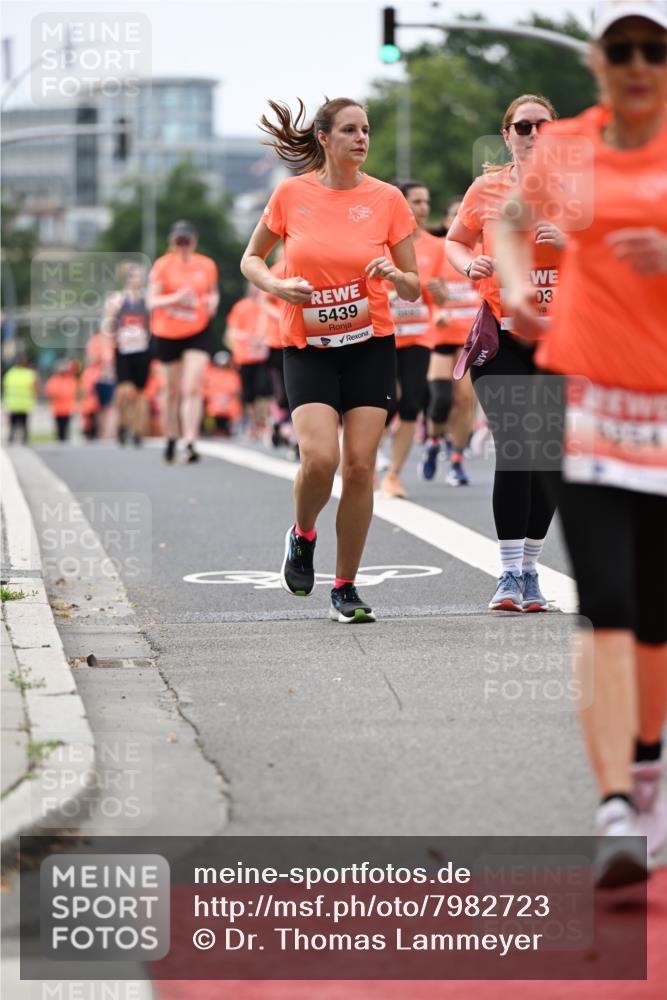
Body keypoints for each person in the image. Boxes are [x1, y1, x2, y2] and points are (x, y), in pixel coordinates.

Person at [496, 0, 667, 885]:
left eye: (654, 49)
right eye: (620, 50)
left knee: (653, 613)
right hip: (588, 399)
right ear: (599, 67)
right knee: (602, 597)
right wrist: (520, 289)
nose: (637, 62)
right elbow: (508, 223)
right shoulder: (568, 147)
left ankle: (647, 764)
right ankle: (612, 809)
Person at [240, 97, 419, 623]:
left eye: (366, 129)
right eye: (349, 130)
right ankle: (302, 534)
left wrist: (392, 275)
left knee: (361, 465)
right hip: (308, 347)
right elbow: (251, 259)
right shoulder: (292, 195)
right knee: (321, 460)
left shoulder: (387, 199)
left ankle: (345, 586)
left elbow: (413, 287)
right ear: (324, 138)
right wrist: (276, 284)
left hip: (370, 344)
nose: (361, 138)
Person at [446, 93, 564, 613]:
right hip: (503, 337)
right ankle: (509, 573)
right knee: (517, 443)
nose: (532, 134)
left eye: (542, 125)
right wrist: (466, 264)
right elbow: (455, 241)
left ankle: (532, 570)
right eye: (522, 126)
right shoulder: (486, 188)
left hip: (565, 342)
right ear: (507, 134)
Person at [379, 180, 447, 500]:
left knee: (411, 404)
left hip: (420, 334)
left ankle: (393, 475)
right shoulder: (381, 243)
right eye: (416, 201)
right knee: (384, 402)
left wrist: (441, 297)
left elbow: (440, 296)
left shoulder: (436, 246)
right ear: (400, 205)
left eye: (426, 201)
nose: (424, 207)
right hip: (384, 333)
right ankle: (363, 462)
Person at [147, 220, 220, 463]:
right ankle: (171, 436)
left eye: (187, 241)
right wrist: (175, 298)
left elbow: (212, 292)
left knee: (192, 387)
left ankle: (190, 440)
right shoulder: (163, 265)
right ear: (172, 243)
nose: (183, 246)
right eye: (178, 242)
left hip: (197, 330)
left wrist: (212, 302)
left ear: (194, 242)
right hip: (167, 333)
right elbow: (151, 302)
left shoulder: (206, 265)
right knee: (171, 391)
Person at [422, 197, 480, 486]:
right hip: (442, 335)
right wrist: (438, 310)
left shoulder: (485, 250)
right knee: (441, 399)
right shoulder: (439, 251)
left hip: (470, 336)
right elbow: (424, 291)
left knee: (465, 398)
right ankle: (433, 442)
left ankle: (457, 459)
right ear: (448, 222)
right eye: (456, 215)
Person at [103, 262, 151, 446]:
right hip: (122, 350)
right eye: (133, 276)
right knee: (123, 392)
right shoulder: (116, 299)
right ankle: (123, 424)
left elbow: (154, 322)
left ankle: (138, 430)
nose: (137, 280)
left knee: (140, 393)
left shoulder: (147, 299)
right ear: (126, 279)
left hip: (143, 350)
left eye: (140, 276)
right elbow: (107, 326)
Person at [224, 285, 273, 438]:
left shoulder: (267, 306)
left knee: (264, 390)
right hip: (245, 356)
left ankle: (263, 422)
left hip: (263, 355)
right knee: (249, 393)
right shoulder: (241, 307)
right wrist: (247, 338)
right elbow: (232, 332)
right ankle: (254, 424)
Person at [85, 328, 116, 438]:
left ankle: (106, 432)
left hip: (107, 377)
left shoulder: (112, 340)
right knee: (103, 407)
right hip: (99, 377)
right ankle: (104, 431)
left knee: (108, 407)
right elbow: (91, 359)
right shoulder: (96, 341)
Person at [203, 350, 243, 436]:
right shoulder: (211, 374)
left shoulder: (233, 375)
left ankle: (228, 428)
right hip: (213, 403)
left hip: (228, 403)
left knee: (233, 407)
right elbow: (205, 390)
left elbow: (236, 391)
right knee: (211, 408)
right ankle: (212, 427)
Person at [2, 351, 37, 444]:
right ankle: (24, 439)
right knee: (24, 423)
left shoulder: (10, 373)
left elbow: (5, 386)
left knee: (13, 423)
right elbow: (34, 388)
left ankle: (11, 438)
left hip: (12, 404)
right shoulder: (30, 374)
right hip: (25, 404)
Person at [45, 359, 78, 442]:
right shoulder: (54, 379)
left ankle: (64, 440)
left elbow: (74, 392)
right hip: (58, 409)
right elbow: (50, 392)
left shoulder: (70, 379)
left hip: (67, 409)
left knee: (66, 428)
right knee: (60, 428)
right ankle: (60, 440)